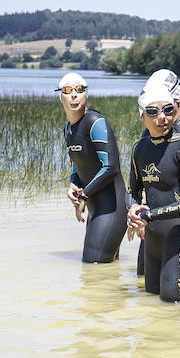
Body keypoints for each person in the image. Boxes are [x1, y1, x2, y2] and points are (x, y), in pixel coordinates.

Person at [127, 84, 180, 303]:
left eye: (168, 110)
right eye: (153, 111)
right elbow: (133, 191)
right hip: (153, 239)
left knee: (174, 304)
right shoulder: (139, 148)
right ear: (142, 116)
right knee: (153, 306)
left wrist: (150, 215)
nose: (162, 117)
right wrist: (133, 210)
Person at [57, 72, 127, 263]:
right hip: (94, 207)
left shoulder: (95, 122)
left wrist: (84, 195)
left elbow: (111, 167)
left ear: (85, 94)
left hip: (112, 206)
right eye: (68, 90)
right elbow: (78, 164)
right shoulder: (68, 128)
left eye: (79, 90)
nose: (73, 95)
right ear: (60, 96)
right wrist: (73, 185)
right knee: (105, 270)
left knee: (93, 264)